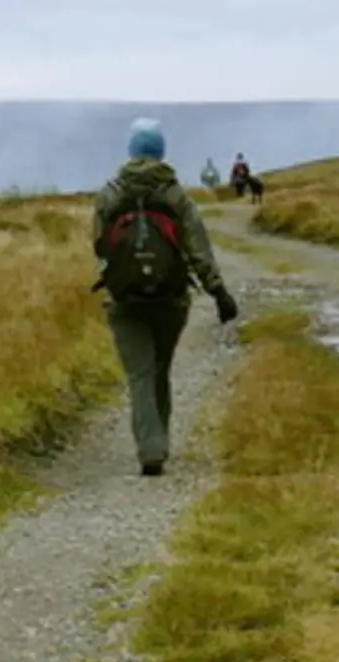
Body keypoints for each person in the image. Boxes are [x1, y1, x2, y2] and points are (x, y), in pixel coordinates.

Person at [91, 118, 240, 477]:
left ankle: (150, 448)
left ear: (130, 151)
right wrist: (218, 291)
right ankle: (160, 441)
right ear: (161, 151)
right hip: (171, 300)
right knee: (160, 369)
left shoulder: (110, 194)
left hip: (125, 300)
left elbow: (99, 244)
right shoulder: (175, 195)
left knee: (139, 374)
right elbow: (198, 248)